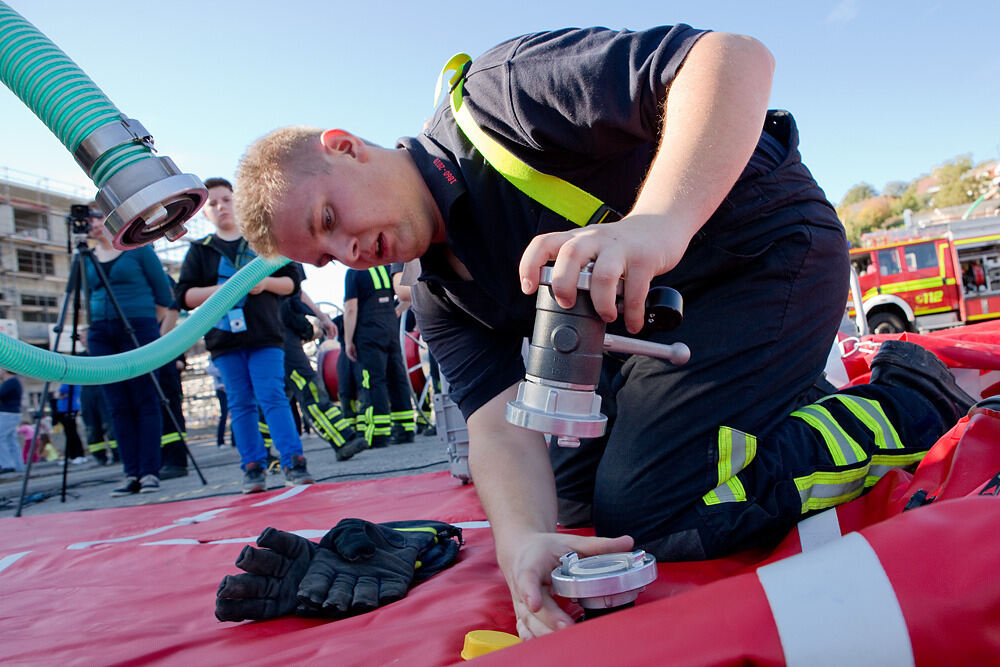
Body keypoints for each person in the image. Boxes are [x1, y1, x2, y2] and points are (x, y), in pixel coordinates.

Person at [234, 26, 971, 637]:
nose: (347, 252)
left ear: (344, 146)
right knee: (577, 520)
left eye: (329, 221)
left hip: (764, 253)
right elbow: (497, 423)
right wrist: (521, 543)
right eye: (323, 256)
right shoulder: (437, 292)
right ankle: (770, 395)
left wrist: (658, 225)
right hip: (661, 329)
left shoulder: (498, 100)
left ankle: (909, 396)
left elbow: (732, 56)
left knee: (652, 510)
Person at [175, 177, 314, 493]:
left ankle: (294, 461)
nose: (221, 207)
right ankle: (253, 466)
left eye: (226, 199)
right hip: (224, 342)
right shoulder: (201, 251)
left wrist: (263, 284)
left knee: (273, 396)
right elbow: (183, 296)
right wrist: (223, 290)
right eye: (212, 203)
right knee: (239, 403)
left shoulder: (263, 243)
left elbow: (292, 283)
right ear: (204, 213)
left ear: (238, 201)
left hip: (265, 336)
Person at [85, 205, 173, 496]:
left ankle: (149, 471)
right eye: (87, 219)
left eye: (96, 216)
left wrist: (153, 332)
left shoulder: (138, 249)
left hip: (138, 326)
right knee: (116, 404)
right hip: (101, 331)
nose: (92, 223)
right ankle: (130, 471)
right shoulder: (85, 258)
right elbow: (81, 297)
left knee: (145, 398)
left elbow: (164, 296)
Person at [279, 262, 367, 460]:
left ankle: (260, 455)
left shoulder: (282, 254)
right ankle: (343, 438)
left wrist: (321, 316)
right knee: (307, 385)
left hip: (283, 329)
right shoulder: (266, 252)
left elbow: (297, 291)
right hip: (274, 330)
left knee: (274, 393)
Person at [343, 265, 416, 447]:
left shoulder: (354, 271)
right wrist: (396, 312)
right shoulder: (387, 269)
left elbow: (351, 308)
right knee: (397, 378)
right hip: (390, 329)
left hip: (368, 332)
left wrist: (348, 341)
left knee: (373, 381)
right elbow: (409, 295)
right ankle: (405, 429)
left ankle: (378, 433)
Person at [52, 383, 86, 464]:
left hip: (67, 409)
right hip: (69, 408)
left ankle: (77, 455)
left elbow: (59, 394)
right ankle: (72, 455)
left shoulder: (67, 382)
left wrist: (57, 395)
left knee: (71, 433)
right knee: (70, 433)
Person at [0, 368, 24, 473]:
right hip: (12, 413)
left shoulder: (10, 382)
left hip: (7, 414)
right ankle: (18, 465)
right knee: (11, 440)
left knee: (1, 438)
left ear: (4, 370)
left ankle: (7, 464)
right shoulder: (14, 381)